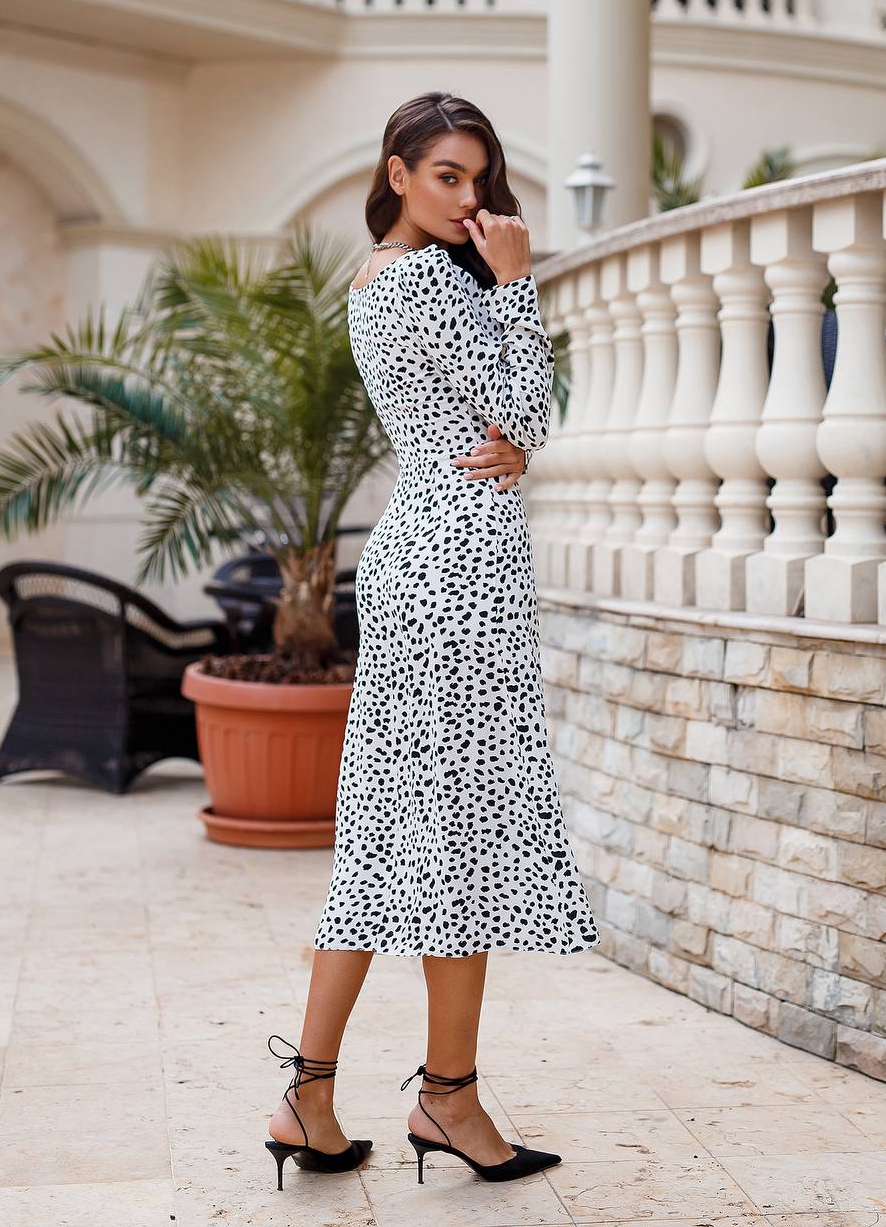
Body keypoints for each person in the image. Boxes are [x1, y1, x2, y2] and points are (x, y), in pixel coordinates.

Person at [264, 91, 601, 1192]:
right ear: (398, 171)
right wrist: (518, 281)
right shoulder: (417, 279)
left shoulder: (381, 275)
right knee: (455, 834)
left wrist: (511, 424)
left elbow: (511, 426)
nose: (471, 197)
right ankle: (446, 1096)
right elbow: (528, 414)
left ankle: (309, 1092)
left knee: (388, 831)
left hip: (431, 549)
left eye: (481, 178)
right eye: (447, 175)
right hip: (456, 567)